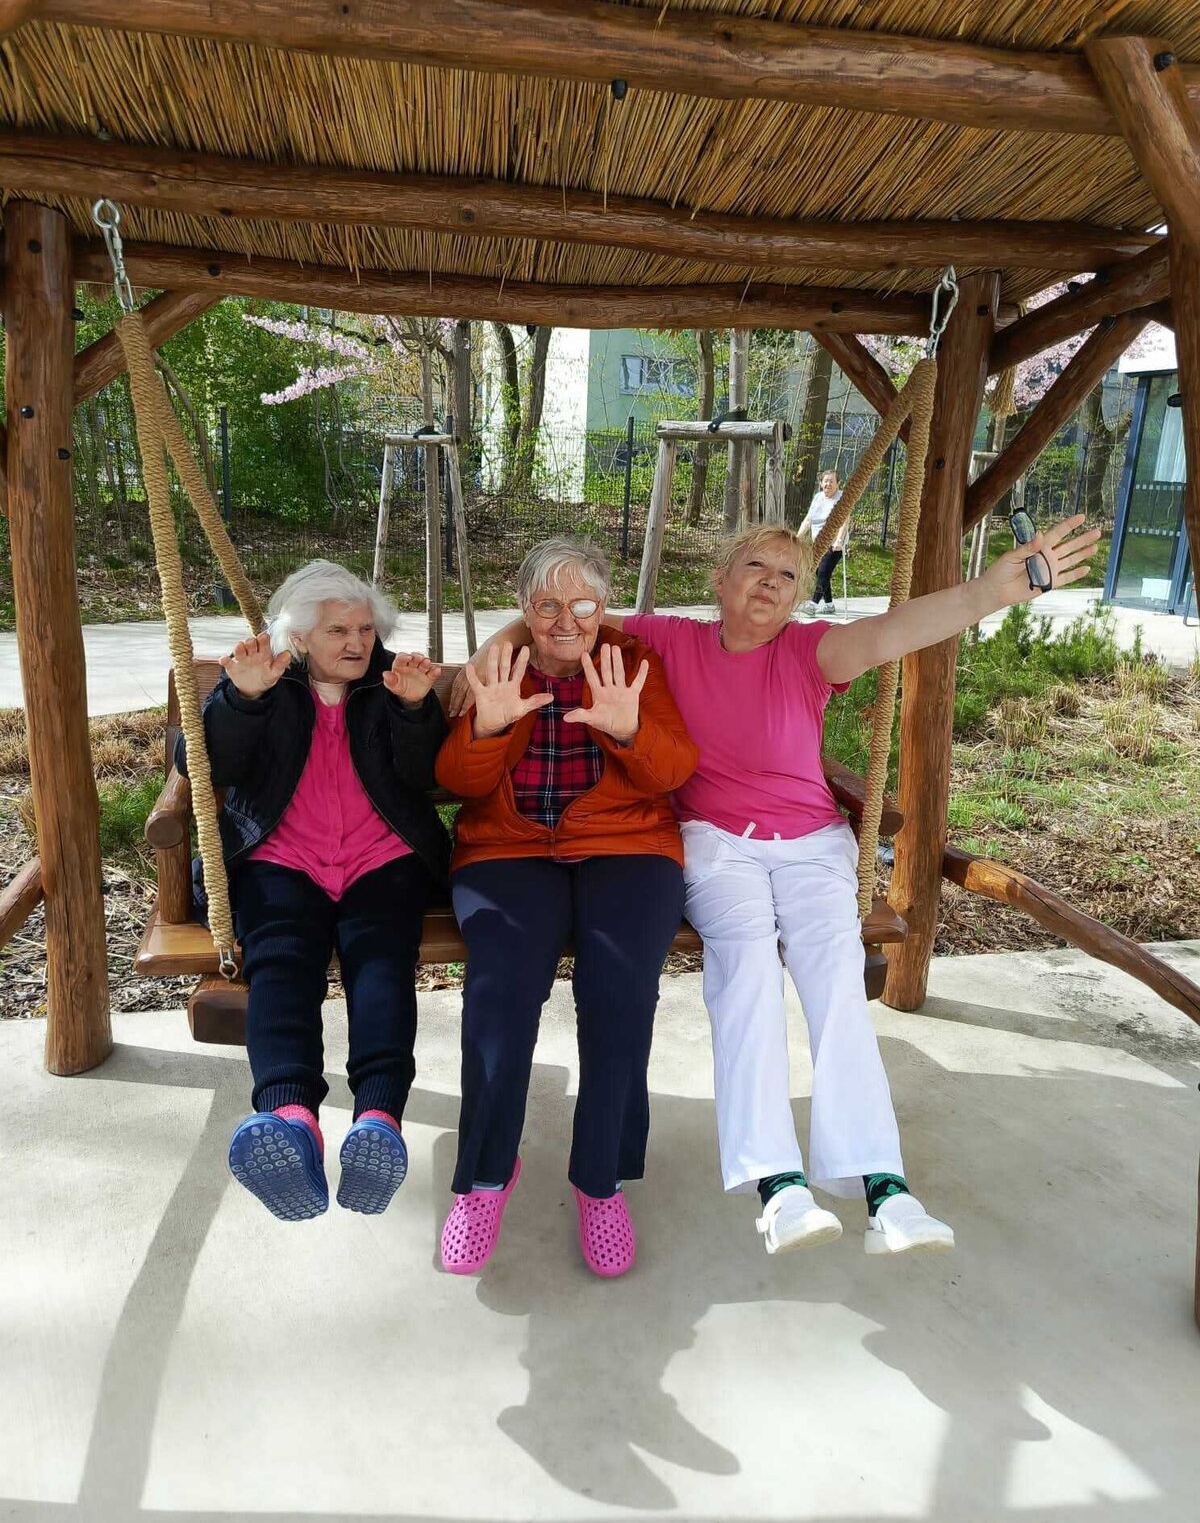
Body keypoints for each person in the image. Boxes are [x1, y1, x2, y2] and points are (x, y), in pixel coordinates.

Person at [454, 515, 1098, 1258]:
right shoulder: (672, 640)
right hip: (717, 845)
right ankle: (778, 1186)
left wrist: (990, 592)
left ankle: (886, 1187)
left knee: (835, 978)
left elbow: (896, 630)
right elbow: (563, 614)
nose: (770, 583)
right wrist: (491, 653)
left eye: (788, 575)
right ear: (720, 581)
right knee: (748, 971)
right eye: (755, 566)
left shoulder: (809, 652)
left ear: (797, 597)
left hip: (812, 846)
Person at [436, 536, 698, 1279]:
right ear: (524, 607)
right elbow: (457, 781)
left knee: (620, 993)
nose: (565, 620)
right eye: (547, 603)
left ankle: (600, 1180)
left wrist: (627, 727)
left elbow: (674, 769)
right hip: (508, 848)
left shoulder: (632, 663)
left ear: (603, 605)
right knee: (500, 992)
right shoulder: (501, 665)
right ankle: (486, 1177)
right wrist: (487, 726)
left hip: (628, 845)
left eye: (582, 603)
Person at [178, 560, 450, 1222]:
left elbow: (428, 775)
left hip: (380, 858)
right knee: (280, 962)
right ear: (299, 637)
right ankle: (291, 1119)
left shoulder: (391, 683)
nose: (356, 643)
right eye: (337, 631)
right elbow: (202, 764)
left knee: (381, 964)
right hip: (283, 858)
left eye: (364, 629)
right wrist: (242, 700)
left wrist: (416, 710)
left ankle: (377, 1122)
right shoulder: (265, 681)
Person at [798, 469, 847, 613]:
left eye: (831, 481)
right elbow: (808, 520)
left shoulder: (842, 498)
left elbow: (845, 521)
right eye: (825, 481)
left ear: (837, 483)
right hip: (818, 544)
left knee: (823, 572)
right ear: (821, 483)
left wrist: (839, 540)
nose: (828, 484)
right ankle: (829, 605)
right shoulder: (818, 497)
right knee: (820, 573)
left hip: (833, 544)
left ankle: (812, 605)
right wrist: (797, 537)